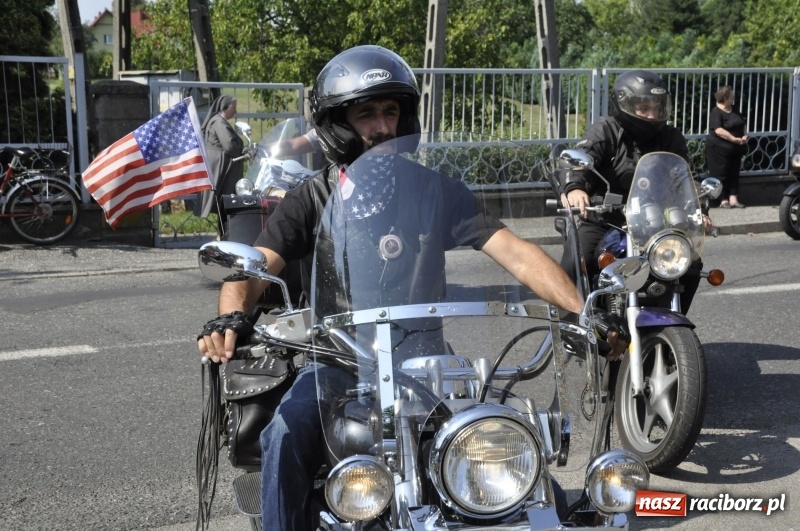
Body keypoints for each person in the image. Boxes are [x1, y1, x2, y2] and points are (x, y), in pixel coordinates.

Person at [197, 45, 626, 530]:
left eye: (390, 111)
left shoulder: (434, 189)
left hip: (425, 360)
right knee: (285, 432)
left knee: (503, 439)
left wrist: (583, 312)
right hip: (336, 361)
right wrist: (232, 317)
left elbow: (516, 252)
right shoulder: (310, 198)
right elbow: (250, 271)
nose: (382, 127)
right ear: (338, 123)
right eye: (367, 114)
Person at [560, 69, 714, 315]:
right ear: (624, 104)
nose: (652, 114)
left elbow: (686, 178)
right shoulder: (605, 131)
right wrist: (575, 187)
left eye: (657, 107)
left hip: (654, 222)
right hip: (605, 218)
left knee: (690, 263)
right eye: (644, 108)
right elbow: (581, 160)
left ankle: (673, 320)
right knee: (577, 261)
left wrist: (699, 209)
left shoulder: (670, 137)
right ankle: (569, 323)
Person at [195, 95, 245, 223]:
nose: (236, 111)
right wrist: (241, 148)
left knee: (224, 201)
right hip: (221, 168)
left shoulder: (219, 121)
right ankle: (221, 234)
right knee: (224, 199)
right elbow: (229, 145)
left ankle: (221, 233)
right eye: (233, 108)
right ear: (225, 108)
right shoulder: (219, 122)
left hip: (221, 166)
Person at [706, 85, 748, 208]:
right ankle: (723, 199)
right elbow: (719, 130)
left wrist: (745, 135)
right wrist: (735, 139)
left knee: (734, 173)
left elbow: (742, 123)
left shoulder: (734, 109)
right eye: (731, 96)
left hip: (736, 149)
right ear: (725, 98)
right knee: (721, 174)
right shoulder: (716, 112)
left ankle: (733, 198)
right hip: (719, 149)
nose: (733, 98)